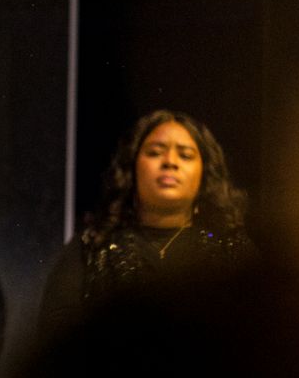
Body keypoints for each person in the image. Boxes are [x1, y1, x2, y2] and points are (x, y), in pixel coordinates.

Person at [38, 108, 252, 333]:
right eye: (155, 152)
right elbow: (55, 336)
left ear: (205, 174)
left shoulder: (233, 251)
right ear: (132, 166)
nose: (170, 162)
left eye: (185, 155)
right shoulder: (92, 246)